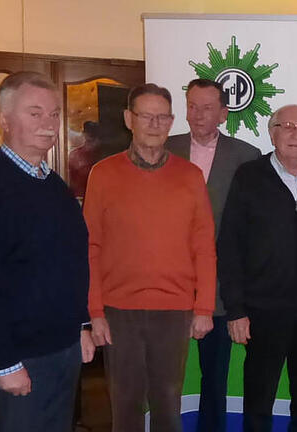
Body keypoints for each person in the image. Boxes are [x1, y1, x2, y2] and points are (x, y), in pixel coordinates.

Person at [0, 71, 95, 432]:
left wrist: (81, 326)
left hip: (63, 349)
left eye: (53, 114)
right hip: (20, 356)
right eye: (35, 113)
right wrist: (5, 363)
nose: (48, 124)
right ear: (3, 120)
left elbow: (71, 264)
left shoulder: (53, 185)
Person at [84, 83, 217, 432]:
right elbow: (91, 246)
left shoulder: (190, 177)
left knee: (167, 407)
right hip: (118, 312)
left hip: (174, 311)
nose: (155, 124)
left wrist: (203, 308)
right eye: (146, 116)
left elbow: (204, 246)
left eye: (162, 117)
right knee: (124, 408)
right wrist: (95, 312)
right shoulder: (103, 174)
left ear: (172, 121)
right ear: (129, 119)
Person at [218, 104, 297, 431]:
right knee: (259, 397)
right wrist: (235, 310)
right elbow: (229, 245)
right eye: (288, 126)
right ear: (272, 133)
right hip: (262, 308)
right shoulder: (249, 176)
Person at [166, 78, 261, 432]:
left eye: (207, 108)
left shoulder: (246, 157)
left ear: (223, 113)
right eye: (192, 106)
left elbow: (249, 229)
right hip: (168, 284)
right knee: (164, 377)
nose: (198, 115)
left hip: (221, 288)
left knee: (215, 379)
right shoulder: (164, 148)